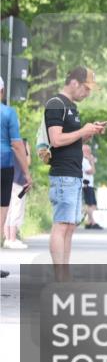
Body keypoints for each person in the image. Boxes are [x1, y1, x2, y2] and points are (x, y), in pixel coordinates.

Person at [45, 68, 107, 275]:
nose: (87, 94)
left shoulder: (72, 107)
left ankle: (64, 273)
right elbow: (56, 139)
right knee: (61, 224)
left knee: (70, 226)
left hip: (74, 174)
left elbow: (72, 141)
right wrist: (82, 130)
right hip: (63, 174)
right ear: (74, 83)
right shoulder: (56, 104)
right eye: (86, 88)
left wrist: (89, 133)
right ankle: (59, 276)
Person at [2, 77, 32, 250]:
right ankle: (10, 238)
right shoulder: (8, 114)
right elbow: (19, 149)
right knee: (7, 209)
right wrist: (28, 174)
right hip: (9, 172)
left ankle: (8, 237)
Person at [4, 140, 31, 248]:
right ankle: (13, 239)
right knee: (17, 208)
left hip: (5, 181)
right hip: (20, 182)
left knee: (7, 209)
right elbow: (28, 162)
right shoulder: (23, 143)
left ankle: (7, 239)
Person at [81, 144, 102, 229]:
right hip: (87, 185)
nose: (90, 153)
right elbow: (91, 171)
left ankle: (89, 221)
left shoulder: (86, 160)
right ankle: (91, 221)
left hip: (89, 184)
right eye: (88, 151)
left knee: (92, 205)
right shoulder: (83, 160)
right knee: (90, 204)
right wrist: (92, 161)